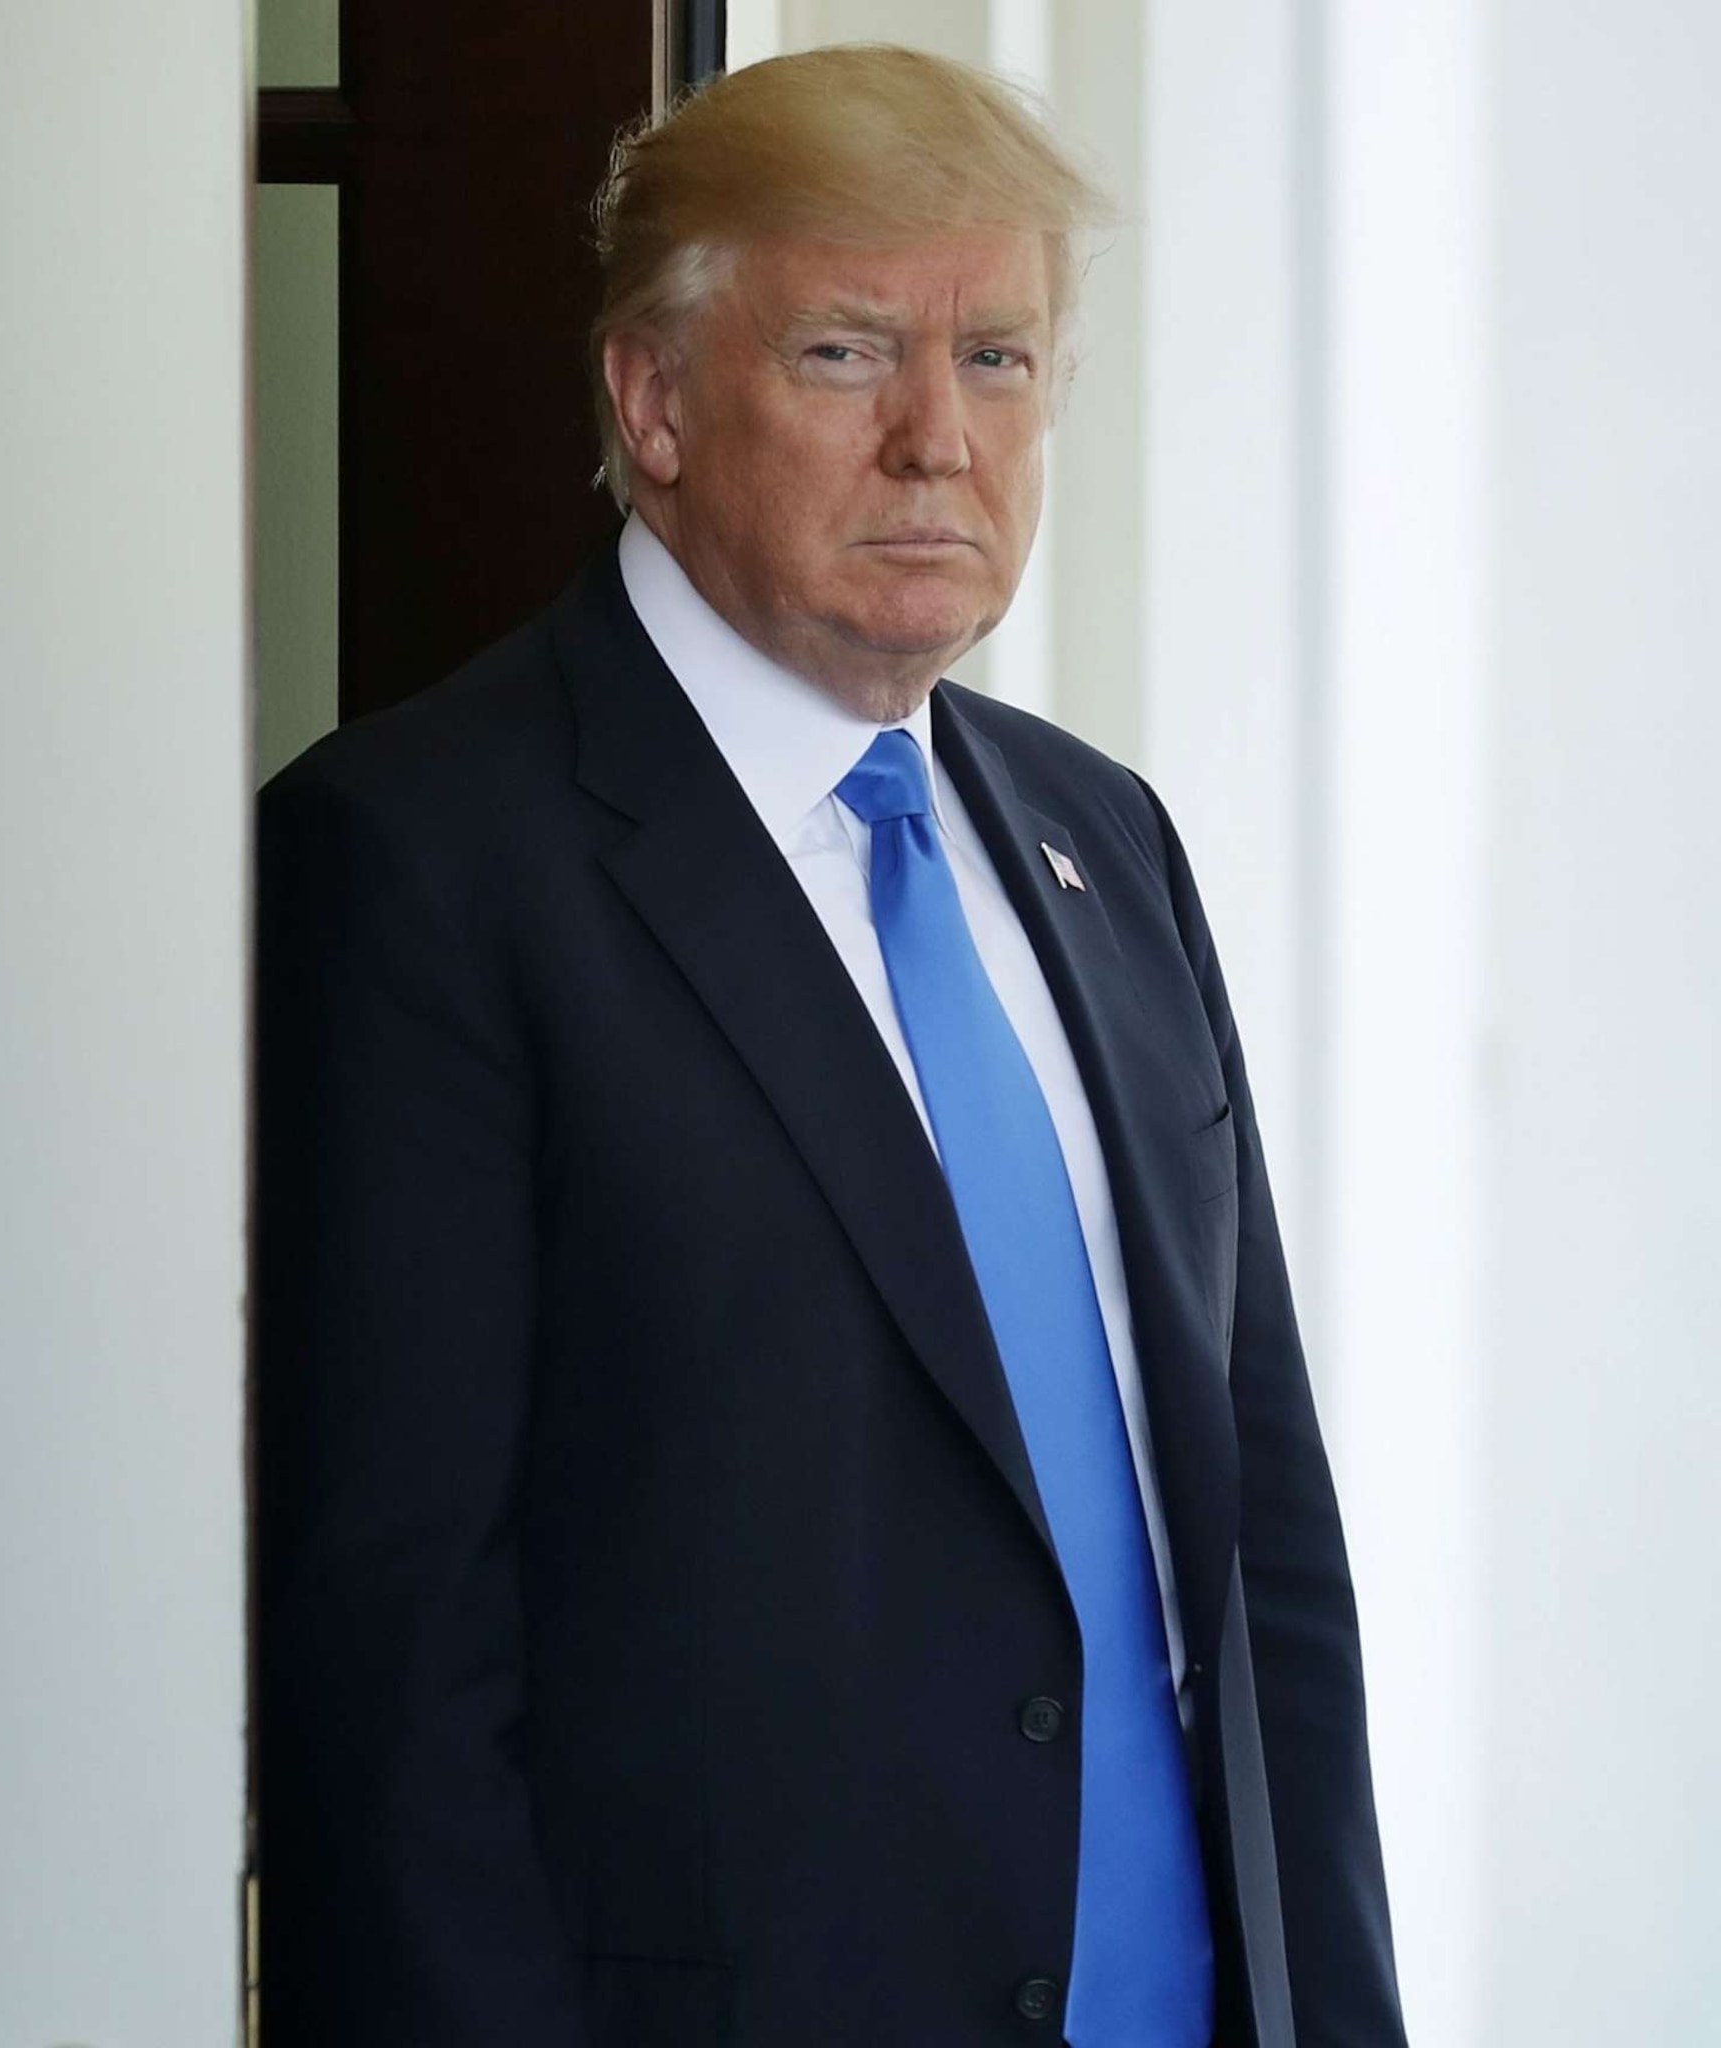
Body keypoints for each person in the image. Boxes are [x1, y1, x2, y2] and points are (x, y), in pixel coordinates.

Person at [254, 44, 1402, 2048]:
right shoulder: (420, 863)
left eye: (1005, 359)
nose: (940, 441)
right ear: (655, 401)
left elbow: (1267, 1560)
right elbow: (394, 1677)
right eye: (851, 355)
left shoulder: (1103, 840)